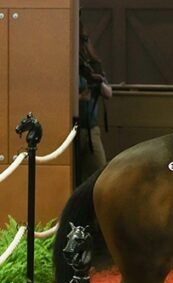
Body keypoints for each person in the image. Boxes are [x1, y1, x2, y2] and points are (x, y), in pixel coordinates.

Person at [78, 21, 112, 183]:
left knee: (100, 170)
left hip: (91, 128)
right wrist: (80, 98)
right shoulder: (73, 70)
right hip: (74, 130)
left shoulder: (92, 67)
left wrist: (98, 82)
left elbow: (108, 93)